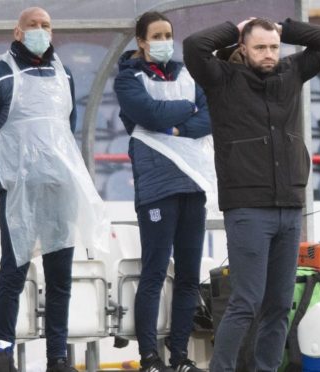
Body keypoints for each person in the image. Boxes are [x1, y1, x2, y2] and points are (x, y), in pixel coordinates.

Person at [183, 17, 320, 371]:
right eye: (260, 47)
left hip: (289, 205)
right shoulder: (221, 78)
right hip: (247, 208)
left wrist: (285, 29)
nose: (269, 54)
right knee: (246, 302)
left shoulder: (292, 71)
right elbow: (194, 46)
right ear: (243, 47)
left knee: (280, 304)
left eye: (273, 46)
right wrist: (232, 27)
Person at [0, 7, 108, 372]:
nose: (41, 31)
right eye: (33, 26)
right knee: (12, 276)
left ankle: (57, 358)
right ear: (17, 32)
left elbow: (65, 130)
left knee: (60, 277)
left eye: (46, 26)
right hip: (19, 193)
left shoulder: (66, 74)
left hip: (60, 189)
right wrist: (1, 181)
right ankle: (3, 355)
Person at [113, 11, 213, 372]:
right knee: (154, 272)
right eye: (156, 35)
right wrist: (186, 111)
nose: (164, 41)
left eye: (168, 34)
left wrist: (171, 128)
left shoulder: (189, 73)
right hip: (156, 188)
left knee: (188, 275)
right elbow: (149, 112)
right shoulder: (127, 79)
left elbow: (209, 116)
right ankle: (150, 358)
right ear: (141, 40)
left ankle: (181, 356)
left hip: (193, 184)